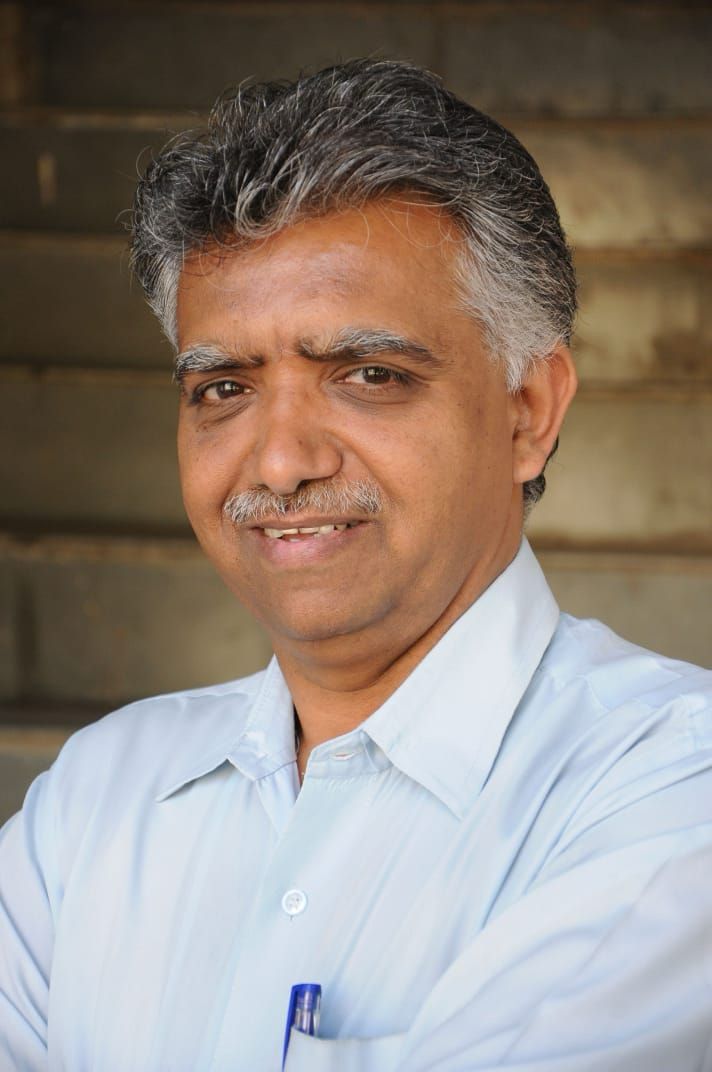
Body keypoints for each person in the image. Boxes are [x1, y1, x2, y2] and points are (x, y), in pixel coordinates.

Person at [1, 58, 711, 1072]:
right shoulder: (96, 798)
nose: (280, 462)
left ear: (528, 412)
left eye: (369, 374)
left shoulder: (669, 790)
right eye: (223, 389)